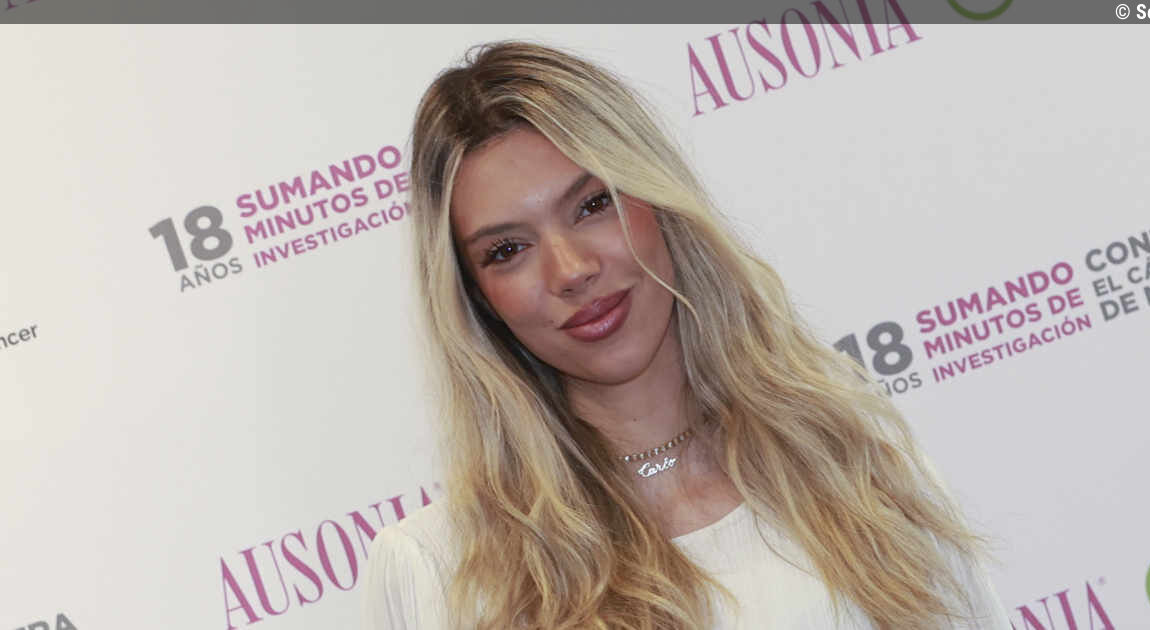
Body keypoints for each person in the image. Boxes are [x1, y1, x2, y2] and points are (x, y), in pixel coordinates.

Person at [363, 40, 1009, 630]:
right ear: (478, 296)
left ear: (658, 201)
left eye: (593, 205)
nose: (571, 269)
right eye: (507, 250)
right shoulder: (438, 573)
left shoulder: (851, 457)